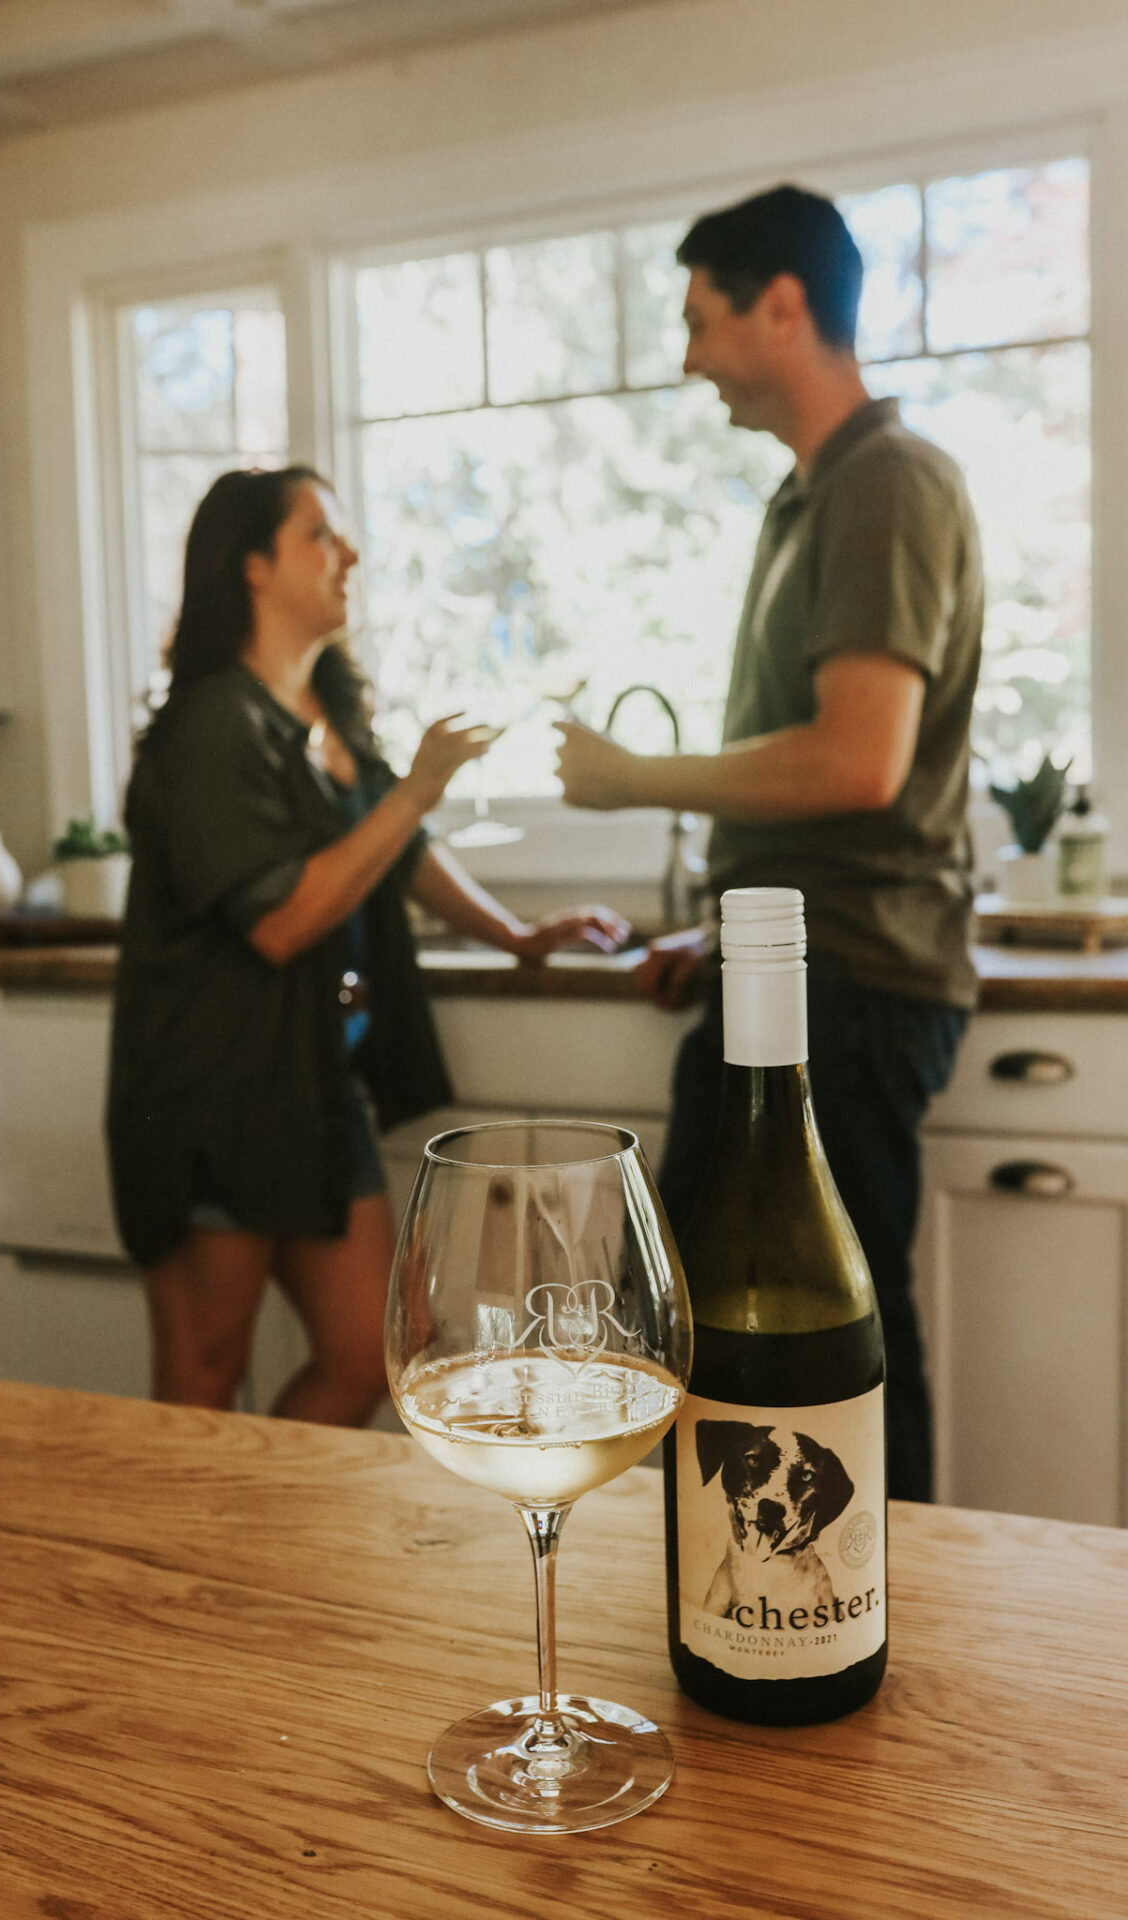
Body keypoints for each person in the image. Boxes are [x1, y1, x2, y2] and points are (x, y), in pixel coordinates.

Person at [556, 185, 983, 1503]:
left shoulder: (886, 487)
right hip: (801, 972)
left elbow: (860, 759)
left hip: (849, 987)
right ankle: (743, 1600)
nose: (687, 358)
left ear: (782, 306)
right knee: (706, 1318)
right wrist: (729, 932)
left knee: (836, 1336)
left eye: (700, 320)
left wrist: (632, 780)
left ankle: (870, 1608)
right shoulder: (811, 499)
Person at [107, 465, 627, 1424]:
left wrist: (516, 937)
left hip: (309, 1095)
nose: (349, 555)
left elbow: (399, 853)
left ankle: (256, 1537)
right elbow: (280, 921)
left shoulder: (327, 713)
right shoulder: (213, 726)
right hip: (213, 1099)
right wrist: (417, 788)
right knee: (201, 1377)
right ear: (251, 567)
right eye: (320, 535)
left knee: (374, 1355)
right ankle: (188, 1569)